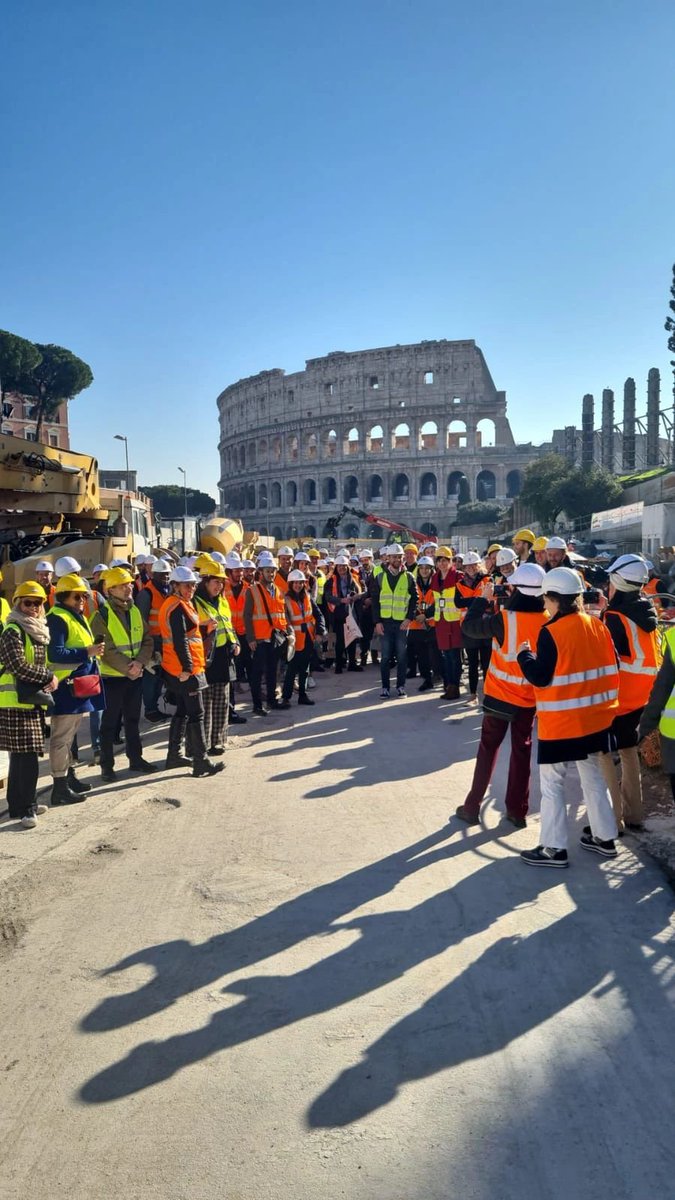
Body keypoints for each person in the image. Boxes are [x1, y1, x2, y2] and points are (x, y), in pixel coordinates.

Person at [516, 566, 620, 867]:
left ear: (554, 598)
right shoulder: (598, 625)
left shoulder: (550, 632)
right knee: (593, 777)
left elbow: (540, 677)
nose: (544, 605)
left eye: (545, 599)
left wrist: (524, 655)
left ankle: (552, 848)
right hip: (596, 720)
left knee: (552, 784)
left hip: (562, 724)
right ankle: (605, 838)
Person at [454, 563, 549, 829]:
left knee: (488, 749)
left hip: (499, 696)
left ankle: (472, 807)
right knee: (522, 752)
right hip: (529, 699)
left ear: (516, 588)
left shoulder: (505, 619)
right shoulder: (548, 620)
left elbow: (470, 627)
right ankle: (517, 811)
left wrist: (481, 599)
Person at [597, 554, 658, 831]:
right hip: (641, 697)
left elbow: (606, 660)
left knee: (604, 753)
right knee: (629, 750)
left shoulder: (614, 617)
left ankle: (613, 819)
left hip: (618, 698)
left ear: (619, 582)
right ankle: (634, 814)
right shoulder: (646, 611)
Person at [0, 581, 58, 828]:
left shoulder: (35, 629)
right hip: (14, 702)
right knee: (27, 758)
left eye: (38, 603)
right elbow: (17, 665)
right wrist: (47, 677)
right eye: (28, 603)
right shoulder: (12, 630)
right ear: (17, 604)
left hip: (29, 701)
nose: (33, 607)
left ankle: (20, 806)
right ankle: (26, 810)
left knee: (23, 756)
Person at [91, 566, 156, 782]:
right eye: (123, 585)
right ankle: (107, 766)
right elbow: (106, 649)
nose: (129, 587)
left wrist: (139, 663)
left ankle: (135, 759)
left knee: (132, 720)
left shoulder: (135, 610)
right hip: (113, 678)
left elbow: (147, 639)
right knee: (109, 724)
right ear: (110, 590)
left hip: (134, 675)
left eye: (129, 583)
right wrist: (130, 667)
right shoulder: (101, 615)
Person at [159, 566, 224, 776]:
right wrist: (187, 668)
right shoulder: (178, 607)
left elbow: (188, 633)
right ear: (175, 586)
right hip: (185, 669)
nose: (191, 589)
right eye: (187, 585)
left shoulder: (178, 604)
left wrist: (205, 628)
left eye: (193, 585)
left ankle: (174, 756)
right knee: (197, 713)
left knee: (183, 711)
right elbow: (180, 641)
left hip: (177, 667)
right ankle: (201, 761)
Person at [46, 573, 105, 805]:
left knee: (69, 737)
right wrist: (87, 652)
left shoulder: (73, 615)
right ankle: (59, 787)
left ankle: (68, 778)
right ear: (63, 596)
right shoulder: (58, 618)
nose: (82, 600)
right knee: (61, 738)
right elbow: (55, 653)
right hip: (65, 688)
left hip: (77, 686)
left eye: (83, 596)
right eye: (77, 596)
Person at [194, 557, 240, 755]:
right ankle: (203, 744)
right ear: (205, 582)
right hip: (205, 659)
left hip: (224, 656)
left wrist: (236, 642)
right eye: (216, 582)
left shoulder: (222, 601)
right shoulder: (195, 603)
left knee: (222, 701)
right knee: (206, 703)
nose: (220, 586)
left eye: (222, 582)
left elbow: (229, 625)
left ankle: (219, 741)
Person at [243, 551, 291, 715]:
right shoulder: (252, 590)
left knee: (272, 671)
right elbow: (247, 616)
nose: (270, 573)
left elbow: (282, 613)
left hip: (275, 638)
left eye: (272, 570)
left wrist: (286, 631)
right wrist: (250, 638)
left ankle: (272, 700)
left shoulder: (277, 590)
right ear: (260, 572)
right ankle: (257, 705)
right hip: (260, 638)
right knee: (257, 673)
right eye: (267, 570)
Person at [372, 544, 418, 698]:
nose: (397, 559)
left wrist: (409, 618)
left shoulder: (409, 577)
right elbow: (375, 601)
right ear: (388, 558)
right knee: (384, 657)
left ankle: (400, 686)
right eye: (394, 557)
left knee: (401, 656)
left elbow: (414, 600)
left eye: (399, 557)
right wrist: (377, 622)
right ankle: (385, 687)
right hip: (385, 622)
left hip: (401, 624)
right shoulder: (380, 577)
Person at [280, 570, 326, 707]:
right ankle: (286, 698)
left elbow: (319, 615)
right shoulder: (286, 600)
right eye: (295, 583)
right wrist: (289, 636)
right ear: (290, 584)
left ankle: (302, 694)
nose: (298, 585)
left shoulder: (307, 597)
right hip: (294, 640)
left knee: (305, 669)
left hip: (308, 638)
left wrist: (320, 631)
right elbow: (285, 620)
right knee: (291, 670)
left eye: (301, 582)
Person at [135, 557, 172, 722]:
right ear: (154, 574)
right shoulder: (146, 594)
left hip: (166, 642)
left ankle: (156, 705)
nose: (165, 578)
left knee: (161, 677)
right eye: (162, 575)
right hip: (152, 642)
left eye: (167, 575)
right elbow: (141, 621)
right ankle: (150, 709)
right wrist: (147, 644)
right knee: (151, 677)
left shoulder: (168, 591)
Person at [455, 551, 491, 702]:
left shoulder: (487, 580)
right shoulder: (460, 584)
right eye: (467, 566)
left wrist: (470, 601)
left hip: (485, 626)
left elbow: (489, 600)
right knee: (473, 663)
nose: (470, 568)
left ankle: (489, 692)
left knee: (486, 663)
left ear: (478, 565)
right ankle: (473, 693)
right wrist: (477, 600)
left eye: (473, 565)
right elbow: (458, 603)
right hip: (468, 628)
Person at [430, 547, 462, 700]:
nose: (442, 563)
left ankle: (454, 687)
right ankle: (448, 685)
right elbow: (435, 602)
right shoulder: (435, 578)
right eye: (439, 560)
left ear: (450, 562)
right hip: (442, 621)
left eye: (445, 560)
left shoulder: (458, 577)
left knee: (455, 656)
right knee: (446, 655)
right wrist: (424, 612)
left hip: (455, 621)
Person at [325, 555, 363, 674]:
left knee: (352, 638)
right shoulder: (331, 580)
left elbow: (360, 591)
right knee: (340, 640)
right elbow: (328, 597)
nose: (342, 568)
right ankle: (339, 664)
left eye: (344, 566)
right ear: (336, 567)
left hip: (351, 613)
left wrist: (356, 596)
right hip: (338, 614)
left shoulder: (353, 579)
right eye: (340, 566)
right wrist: (341, 600)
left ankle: (352, 663)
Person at [406, 555, 436, 691]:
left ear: (431, 569)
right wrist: (417, 616)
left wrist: (426, 616)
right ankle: (427, 679)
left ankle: (439, 676)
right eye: (421, 568)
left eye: (427, 568)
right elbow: (408, 600)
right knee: (421, 655)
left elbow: (439, 603)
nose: (424, 571)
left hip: (432, 623)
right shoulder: (412, 582)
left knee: (434, 655)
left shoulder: (436, 584)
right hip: (416, 624)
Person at [355, 549, 376, 666]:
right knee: (364, 633)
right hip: (362, 608)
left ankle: (374, 655)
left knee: (375, 633)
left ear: (371, 559)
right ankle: (364, 655)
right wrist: (364, 601)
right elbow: (355, 590)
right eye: (362, 560)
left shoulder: (377, 571)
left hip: (375, 606)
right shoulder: (357, 573)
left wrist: (372, 600)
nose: (364, 562)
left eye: (366, 560)